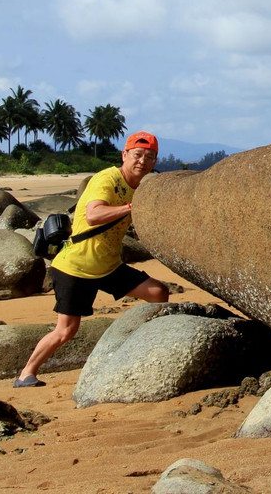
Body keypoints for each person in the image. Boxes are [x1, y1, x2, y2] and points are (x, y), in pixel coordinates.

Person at [14, 131, 170, 387]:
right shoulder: (107, 179)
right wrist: (130, 208)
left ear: (154, 161)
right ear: (125, 155)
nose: (142, 161)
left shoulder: (140, 188)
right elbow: (95, 215)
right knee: (66, 330)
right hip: (76, 266)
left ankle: (142, 344)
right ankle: (26, 373)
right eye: (138, 155)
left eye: (149, 157)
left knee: (158, 292)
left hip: (108, 266)